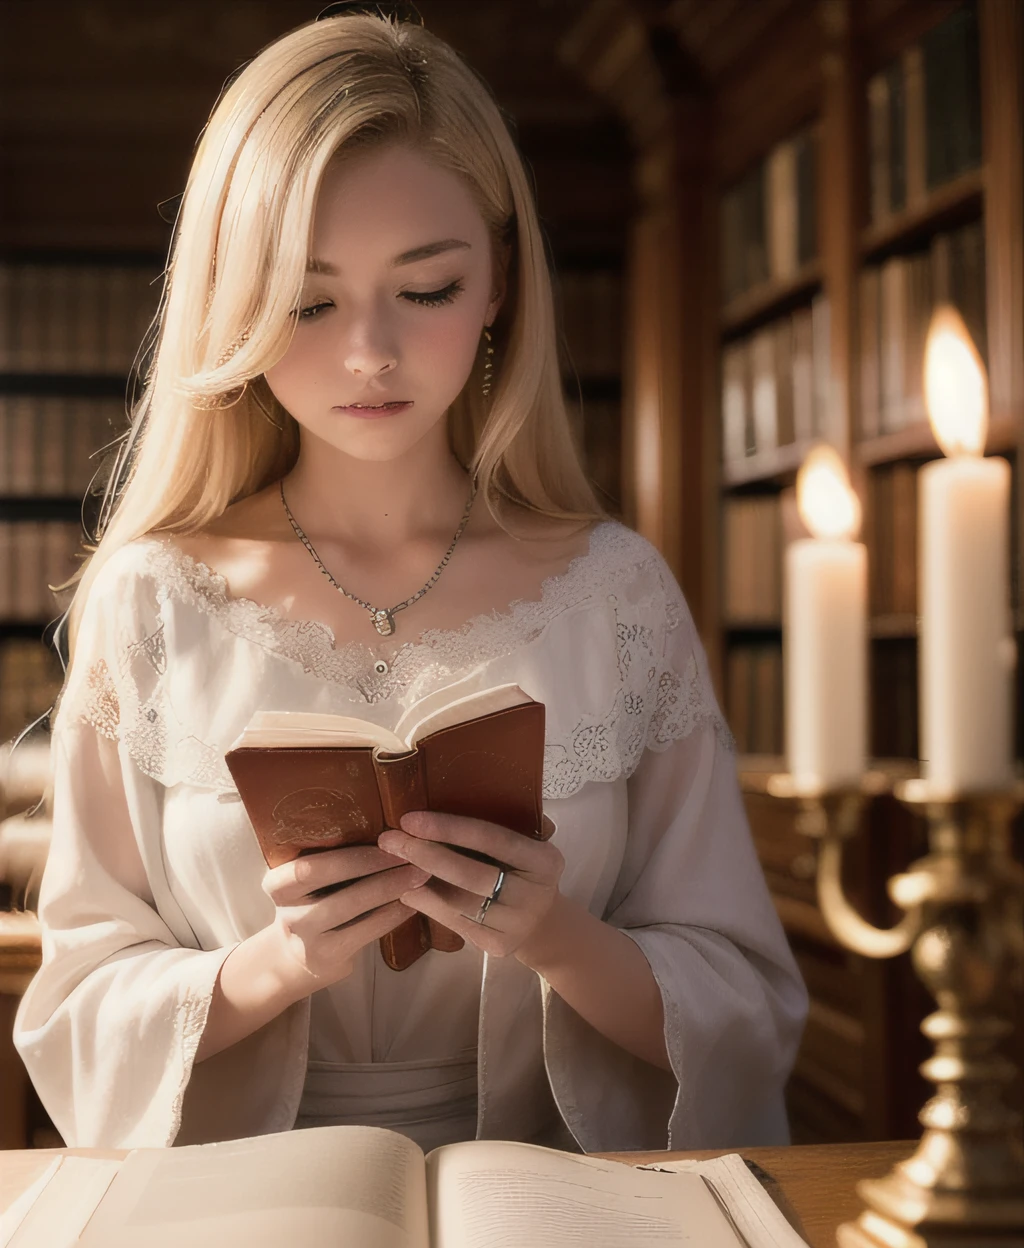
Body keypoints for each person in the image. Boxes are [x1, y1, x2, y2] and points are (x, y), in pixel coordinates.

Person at [13, 5, 807, 1155]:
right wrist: (277, 963)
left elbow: (745, 1006)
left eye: (425, 289)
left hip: (553, 1203)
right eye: (307, 299)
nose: (368, 354)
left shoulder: (616, 594)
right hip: (237, 1200)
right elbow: (77, 1007)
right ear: (234, 304)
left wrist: (554, 932)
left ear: (499, 285)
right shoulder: (153, 600)